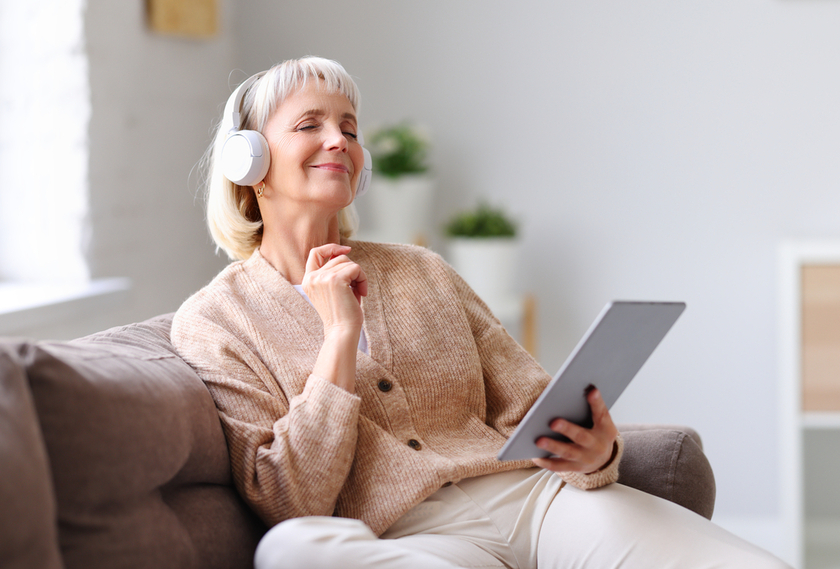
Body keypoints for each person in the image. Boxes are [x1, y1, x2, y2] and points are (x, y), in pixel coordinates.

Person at [172, 56, 791, 569]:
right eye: (310, 124)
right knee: (291, 551)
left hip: (536, 501)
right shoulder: (214, 320)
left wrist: (596, 452)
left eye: (351, 128)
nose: (340, 140)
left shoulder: (423, 271)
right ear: (247, 162)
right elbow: (289, 499)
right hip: (416, 540)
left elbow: (530, 404)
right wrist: (337, 338)